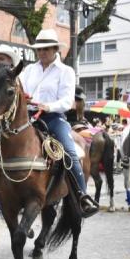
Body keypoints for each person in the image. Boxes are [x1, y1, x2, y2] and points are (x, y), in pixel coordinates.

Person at [19, 28, 99, 217]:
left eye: (46, 49)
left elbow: (67, 101)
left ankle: (82, 196)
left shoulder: (66, 71)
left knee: (70, 151)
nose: (42, 52)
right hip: (28, 118)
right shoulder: (29, 70)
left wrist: (48, 106)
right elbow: (18, 88)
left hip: (53, 118)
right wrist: (23, 96)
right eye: (39, 49)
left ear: (55, 49)